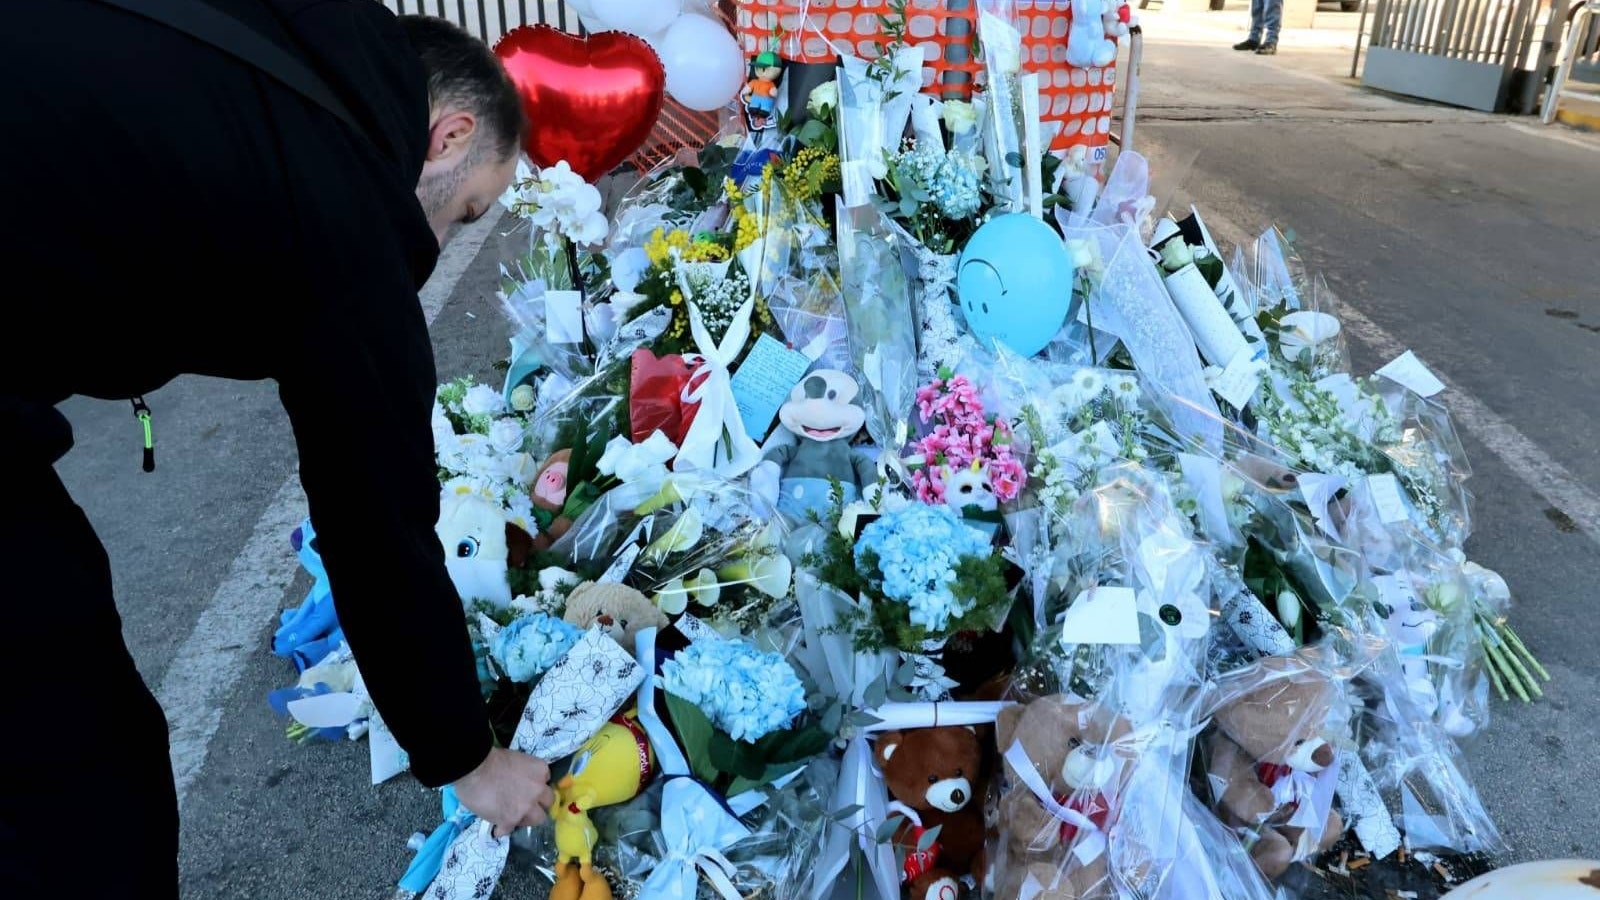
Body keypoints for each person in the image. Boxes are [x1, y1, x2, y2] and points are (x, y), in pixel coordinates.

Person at [0, 1, 553, 895]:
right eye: (466, 214)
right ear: (447, 137)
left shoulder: (282, 58)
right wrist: (470, 760)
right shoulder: (345, 192)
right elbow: (378, 525)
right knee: (79, 771)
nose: (439, 248)